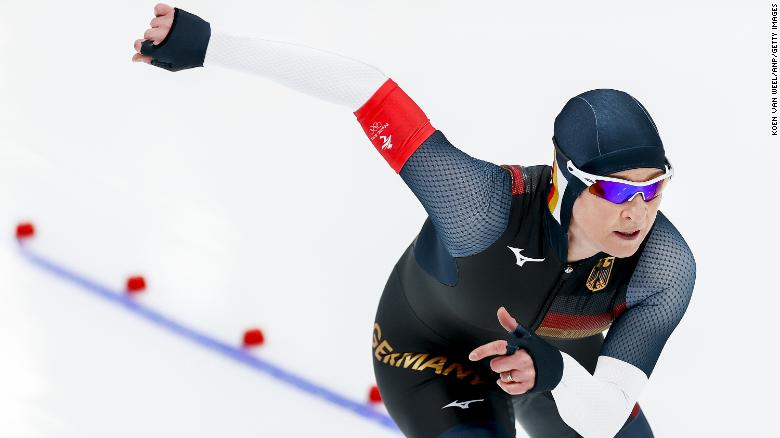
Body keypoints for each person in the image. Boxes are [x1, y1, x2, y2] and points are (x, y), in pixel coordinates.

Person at [132, 5, 696, 437]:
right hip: (437, 354)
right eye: (618, 188)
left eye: (654, 188)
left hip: (549, 355)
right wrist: (212, 46)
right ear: (568, 182)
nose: (637, 211)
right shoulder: (482, 206)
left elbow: (606, 417)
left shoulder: (665, 266)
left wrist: (553, 371)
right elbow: (366, 90)